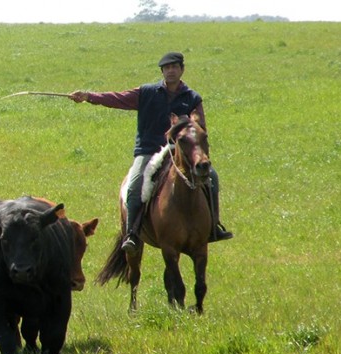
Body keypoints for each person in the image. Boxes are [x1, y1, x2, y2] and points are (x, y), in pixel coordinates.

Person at [68, 51, 233, 254]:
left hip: (179, 150)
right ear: (162, 71)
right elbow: (117, 98)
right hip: (149, 151)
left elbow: (199, 124)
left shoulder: (192, 97)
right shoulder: (146, 92)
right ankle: (132, 234)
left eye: (175, 67)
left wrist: (190, 128)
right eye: (167, 68)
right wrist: (88, 96)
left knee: (212, 177)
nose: (171, 71)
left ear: (182, 69)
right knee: (135, 183)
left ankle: (213, 226)